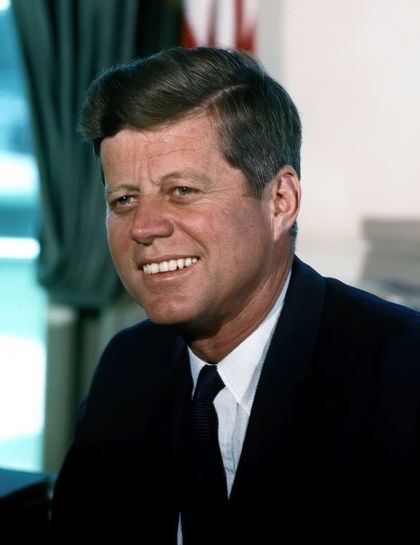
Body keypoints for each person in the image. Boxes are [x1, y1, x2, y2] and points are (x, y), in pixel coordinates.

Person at [50, 47, 420, 543]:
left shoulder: (401, 372)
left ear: (280, 200)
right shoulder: (128, 365)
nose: (144, 227)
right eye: (124, 199)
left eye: (182, 191)